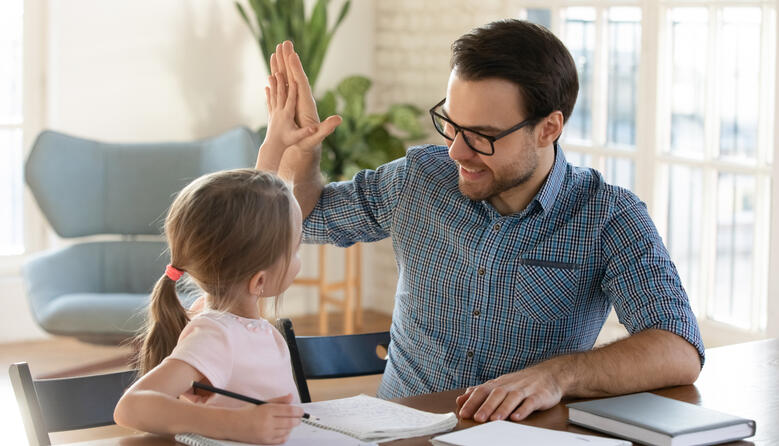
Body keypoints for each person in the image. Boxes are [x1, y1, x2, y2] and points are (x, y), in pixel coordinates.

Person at [258, 19, 704, 425]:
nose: (456, 151)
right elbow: (303, 219)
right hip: (401, 432)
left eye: (482, 136)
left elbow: (678, 349)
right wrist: (302, 152)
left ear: (548, 128)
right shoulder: (419, 179)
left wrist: (556, 376)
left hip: (520, 436)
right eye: (452, 125)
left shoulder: (608, 216)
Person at [114, 78, 338, 443]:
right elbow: (132, 407)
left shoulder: (228, 315)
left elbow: (253, 224)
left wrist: (275, 143)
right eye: (295, 248)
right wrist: (237, 425)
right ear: (259, 281)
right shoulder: (216, 334)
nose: (299, 258)